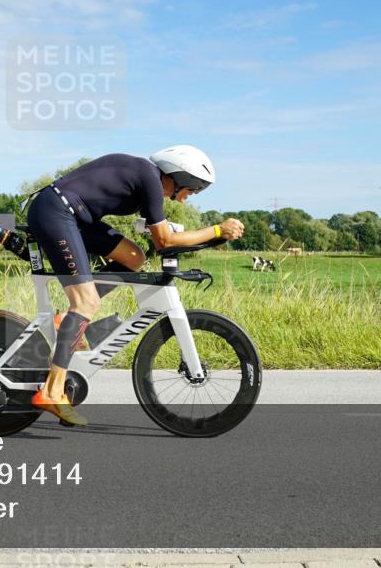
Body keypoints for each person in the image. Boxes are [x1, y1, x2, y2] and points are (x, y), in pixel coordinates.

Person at [26, 145, 245, 426]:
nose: (187, 198)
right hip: (56, 213)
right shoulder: (150, 180)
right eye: (192, 190)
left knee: (133, 257)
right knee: (86, 302)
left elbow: (156, 231)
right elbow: (163, 241)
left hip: (73, 216)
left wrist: (212, 237)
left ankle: (65, 321)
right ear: (180, 177)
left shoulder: (146, 179)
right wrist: (216, 230)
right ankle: (52, 390)